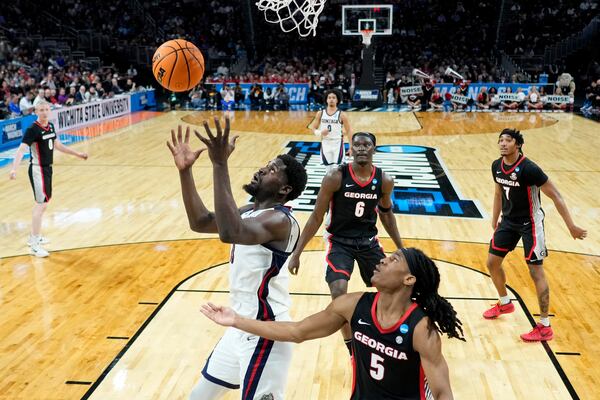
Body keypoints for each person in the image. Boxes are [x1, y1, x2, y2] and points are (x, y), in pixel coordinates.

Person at [166, 117, 308, 400]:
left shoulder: (281, 221)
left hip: (266, 333)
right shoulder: (251, 210)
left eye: (272, 170)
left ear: (284, 189)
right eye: (265, 165)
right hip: (238, 325)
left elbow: (230, 232)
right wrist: (186, 172)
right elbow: (201, 221)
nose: (262, 169)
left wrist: (220, 163)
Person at [202, 247, 465, 400]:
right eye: (387, 256)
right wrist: (236, 320)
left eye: (394, 259)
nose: (383, 259)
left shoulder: (421, 329)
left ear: (409, 280)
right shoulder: (352, 305)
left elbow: (442, 393)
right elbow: (297, 331)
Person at [288, 132, 403, 354]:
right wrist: (297, 252)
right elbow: (316, 216)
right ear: (350, 150)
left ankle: (387, 337)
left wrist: (401, 247)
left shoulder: (384, 180)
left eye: (366, 144)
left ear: (374, 149)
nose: (361, 148)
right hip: (339, 242)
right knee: (339, 291)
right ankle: (353, 350)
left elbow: (387, 214)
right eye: (356, 144)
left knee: (392, 288)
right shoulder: (335, 176)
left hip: (368, 242)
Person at [484, 128, 587, 341]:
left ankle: (544, 325)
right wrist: (494, 219)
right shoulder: (496, 165)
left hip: (530, 223)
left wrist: (571, 226)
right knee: (492, 262)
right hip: (509, 221)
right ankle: (505, 303)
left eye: (508, 140)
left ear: (518, 144)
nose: (503, 144)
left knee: (535, 271)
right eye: (500, 140)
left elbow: (556, 196)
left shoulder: (529, 169)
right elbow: (497, 193)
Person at [9, 101, 88, 257]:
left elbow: (58, 145)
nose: (44, 112)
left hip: (47, 169)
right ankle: (34, 243)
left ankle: (35, 236)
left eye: (46, 109)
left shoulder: (50, 126)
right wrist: (14, 169)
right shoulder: (33, 129)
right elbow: (21, 149)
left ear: (50, 110)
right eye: (41, 110)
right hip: (37, 170)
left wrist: (77, 154)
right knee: (41, 205)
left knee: (44, 204)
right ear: (36, 111)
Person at [307, 89, 352, 172]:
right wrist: (320, 132)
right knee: (328, 171)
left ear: (337, 100)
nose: (331, 99)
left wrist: (351, 147)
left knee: (338, 170)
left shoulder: (342, 114)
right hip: (325, 143)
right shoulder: (320, 113)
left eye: (334, 98)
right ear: (326, 100)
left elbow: (349, 131)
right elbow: (313, 128)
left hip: (337, 144)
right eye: (329, 97)